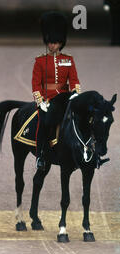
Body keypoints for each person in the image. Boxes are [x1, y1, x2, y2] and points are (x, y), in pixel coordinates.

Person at [32, 11, 81, 170]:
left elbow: (74, 80)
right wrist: (41, 102)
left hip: (66, 98)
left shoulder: (68, 60)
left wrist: (75, 94)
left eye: (55, 42)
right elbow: (36, 84)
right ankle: (41, 155)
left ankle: (84, 151)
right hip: (48, 99)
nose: (51, 45)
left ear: (61, 42)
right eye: (49, 42)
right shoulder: (40, 61)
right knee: (44, 123)